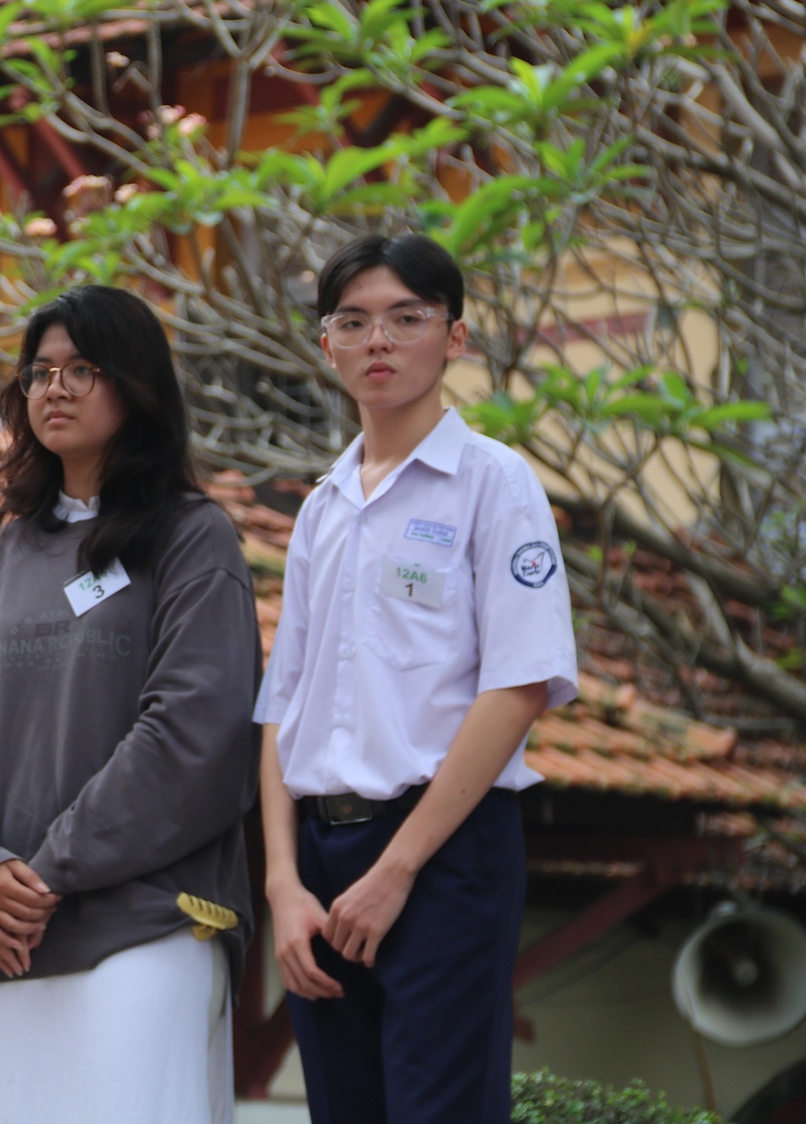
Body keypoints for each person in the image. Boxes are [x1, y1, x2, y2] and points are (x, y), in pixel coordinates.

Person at [0, 284, 261, 1123]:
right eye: (39, 372)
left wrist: (46, 870)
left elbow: (194, 732)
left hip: (149, 927)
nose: (55, 389)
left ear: (136, 388)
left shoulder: (192, 538)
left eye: (83, 369)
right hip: (10, 940)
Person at [256, 233, 578, 1124]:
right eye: (353, 322)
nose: (379, 342)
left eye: (407, 318)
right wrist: (284, 883)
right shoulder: (321, 507)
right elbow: (283, 703)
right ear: (327, 346)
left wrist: (398, 869)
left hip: (443, 856)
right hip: (322, 863)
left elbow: (518, 688)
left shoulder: (495, 484)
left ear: (456, 338)